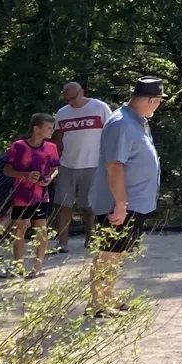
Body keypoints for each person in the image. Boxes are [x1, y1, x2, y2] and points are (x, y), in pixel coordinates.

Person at [90, 77, 165, 317]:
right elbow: (114, 166)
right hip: (120, 203)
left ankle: (107, 296)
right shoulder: (121, 123)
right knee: (109, 252)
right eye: (158, 101)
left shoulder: (137, 121)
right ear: (152, 100)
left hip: (133, 202)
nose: (158, 106)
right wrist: (121, 203)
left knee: (117, 251)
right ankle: (98, 304)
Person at [52, 81, 111, 254]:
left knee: (89, 205)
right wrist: (53, 163)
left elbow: (110, 133)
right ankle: (63, 242)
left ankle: (90, 237)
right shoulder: (62, 113)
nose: (70, 102)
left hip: (93, 164)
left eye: (73, 98)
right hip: (67, 165)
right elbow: (57, 140)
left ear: (82, 92)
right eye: (66, 98)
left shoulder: (100, 107)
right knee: (64, 204)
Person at [4, 114, 61, 277]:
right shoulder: (18, 146)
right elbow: (7, 170)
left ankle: (38, 267)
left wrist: (49, 178)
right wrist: (25, 175)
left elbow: (55, 168)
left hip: (41, 194)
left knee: (41, 229)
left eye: (53, 127)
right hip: (21, 195)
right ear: (37, 129)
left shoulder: (51, 147)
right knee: (19, 229)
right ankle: (18, 266)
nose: (52, 131)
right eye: (49, 128)